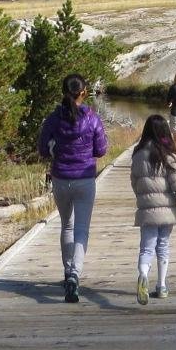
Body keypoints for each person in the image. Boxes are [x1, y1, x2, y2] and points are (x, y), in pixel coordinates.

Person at [36, 74, 108, 303]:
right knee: (81, 230)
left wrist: (55, 149)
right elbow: (102, 149)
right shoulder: (92, 118)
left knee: (66, 225)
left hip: (60, 178)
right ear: (83, 92)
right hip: (85, 178)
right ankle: (75, 274)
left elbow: (43, 150)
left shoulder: (53, 119)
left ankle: (68, 272)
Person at [130, 114, 176, 304]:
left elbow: (135, 182)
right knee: (163, 246)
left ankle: (143, 275)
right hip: (167, 211)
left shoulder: (138, 155)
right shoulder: (169, 154)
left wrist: (143, 196)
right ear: (165, 131)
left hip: (147, 210)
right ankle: (161, 286)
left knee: (146, 248)